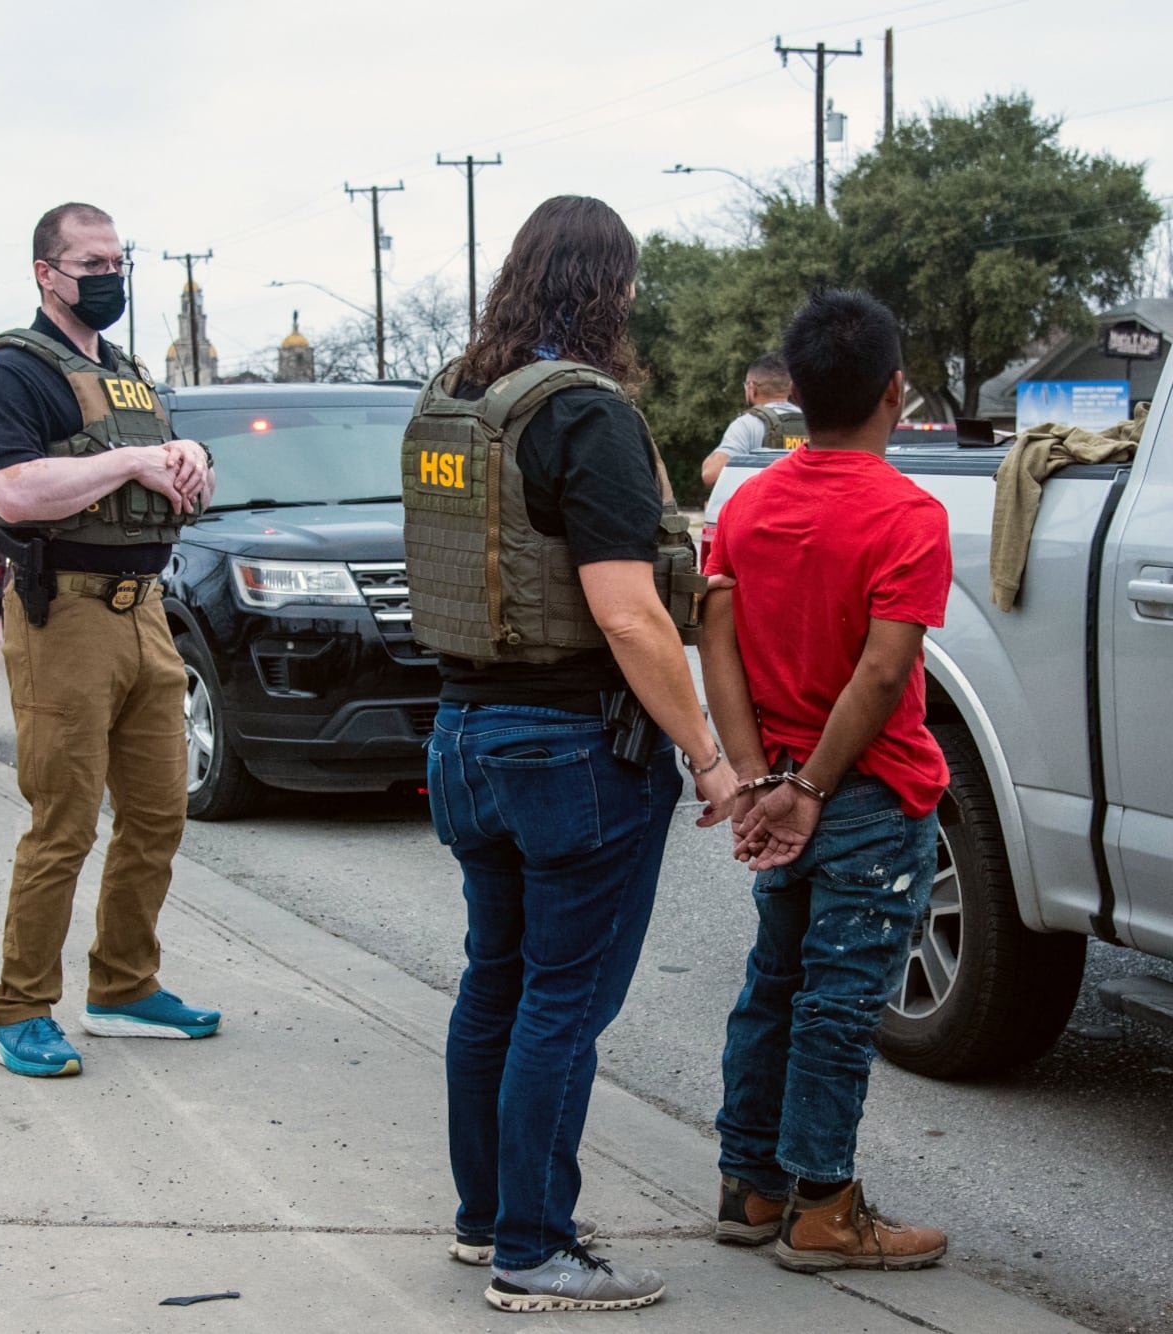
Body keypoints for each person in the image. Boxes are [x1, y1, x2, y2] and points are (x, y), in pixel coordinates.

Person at [403, 195, 740, 1313]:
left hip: (462, 734)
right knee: (561, 1001)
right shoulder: (585, 414)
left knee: (493, 982)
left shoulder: (455, 400)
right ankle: (535, 1249)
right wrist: (706, 753)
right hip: (569, 747)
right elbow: (630, 614)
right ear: (613, 289)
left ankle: (488, 1219)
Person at [700, 289, 953, 1273]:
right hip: (868, 795)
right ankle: (823, 1209)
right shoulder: (908, 514)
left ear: (795, 394)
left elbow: (716, 639)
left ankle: (751, 1185)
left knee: (774, 984)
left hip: (777, 787)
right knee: (839, 1003)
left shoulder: (748, 505)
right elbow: (883, 672)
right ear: (895, 390)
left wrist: (756, 778)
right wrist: (808, 787)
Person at [0, 201, 221, 1079]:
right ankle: (18, 1009)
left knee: (158, 814)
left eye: (118, 261)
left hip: (146, 610)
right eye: (91, 263)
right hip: (65, 615)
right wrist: (132, 462)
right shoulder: (16, 370)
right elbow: (10, 492)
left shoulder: (128, 373)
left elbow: (161, 466)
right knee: (64, 822)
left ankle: (123, 987)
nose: (110, 276)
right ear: (47, 273)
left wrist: (190, 459)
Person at [698, 351, 806, 488]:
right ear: (790, 388)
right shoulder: (812, 421)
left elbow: (711, 474)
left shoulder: (747, 424)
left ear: (751, 388)